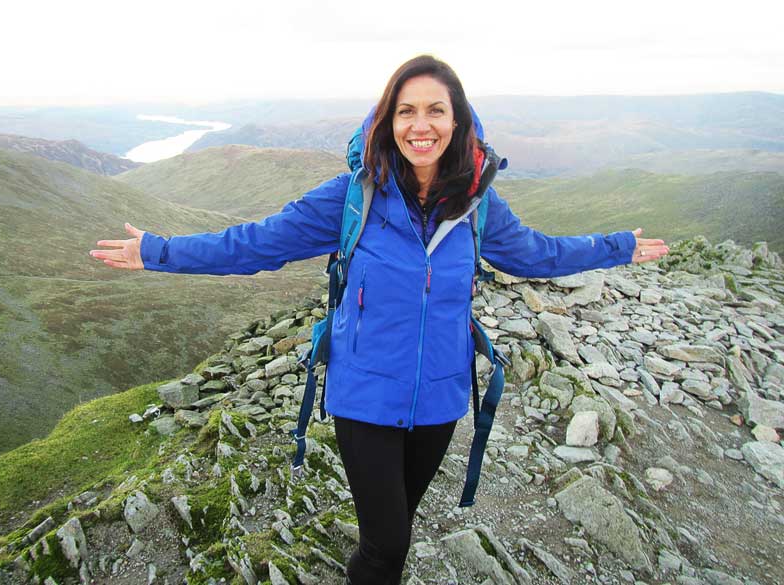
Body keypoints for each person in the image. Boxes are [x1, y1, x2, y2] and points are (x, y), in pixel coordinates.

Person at [91, 55, 668, 585]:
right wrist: (159, 251)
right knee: (387, 542)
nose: (421, 125)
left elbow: (538, 254)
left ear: (458, 121)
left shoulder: (477, 204)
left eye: (436, 110)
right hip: (364, 394)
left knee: (394, 532)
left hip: (440, 398)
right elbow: (255, 244)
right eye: (406, 111)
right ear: (388, 121)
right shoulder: (352, 197)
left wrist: (616, 247)